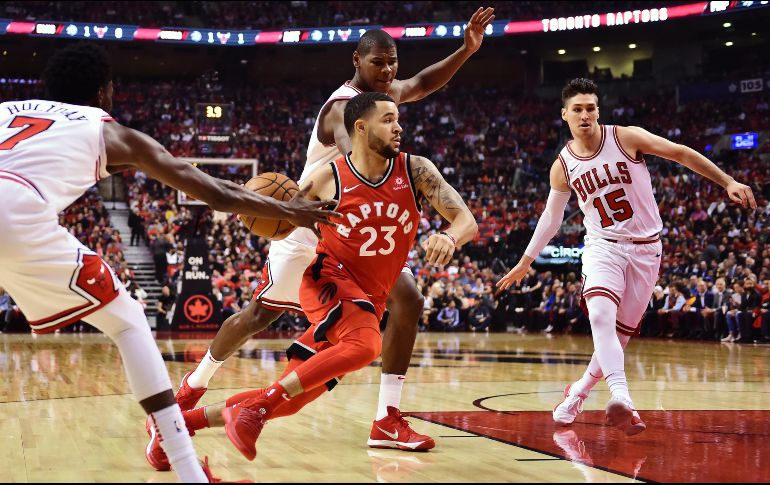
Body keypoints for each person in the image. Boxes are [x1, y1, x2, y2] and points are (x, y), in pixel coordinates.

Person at [0, 43, 338, 483]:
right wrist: (290, 212)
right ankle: (185, 468)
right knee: (128, 323)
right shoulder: (107, 130)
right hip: (14, 212)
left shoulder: (7, 107)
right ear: (105, 92)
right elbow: (214, 193)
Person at [170, 7, 495, 460]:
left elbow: (421, 84)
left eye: (392, 61)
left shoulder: (384, 94)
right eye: (378, 62)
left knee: (408, 300)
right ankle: (193, 386)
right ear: (356, 61)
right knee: (258, 317)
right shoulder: (341, 110)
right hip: (311, 223)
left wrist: (465, 50)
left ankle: (387, 417)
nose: (388, 71)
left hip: (353, 229)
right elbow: (357, 159)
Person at [497, 78, 756, 436]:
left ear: (598, 111)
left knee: (617, 339)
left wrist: (726, 181)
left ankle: (578, 392)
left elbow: (680, 152)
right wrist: (526, 260)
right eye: (578, 109)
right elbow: (552, 217)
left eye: (590, 107)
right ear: (565, 115)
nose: (585, 114)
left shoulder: (626, 137)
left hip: (647, 249)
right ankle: (622, 397)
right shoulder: (563, 165)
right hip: (603, 246)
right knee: (601, 316)